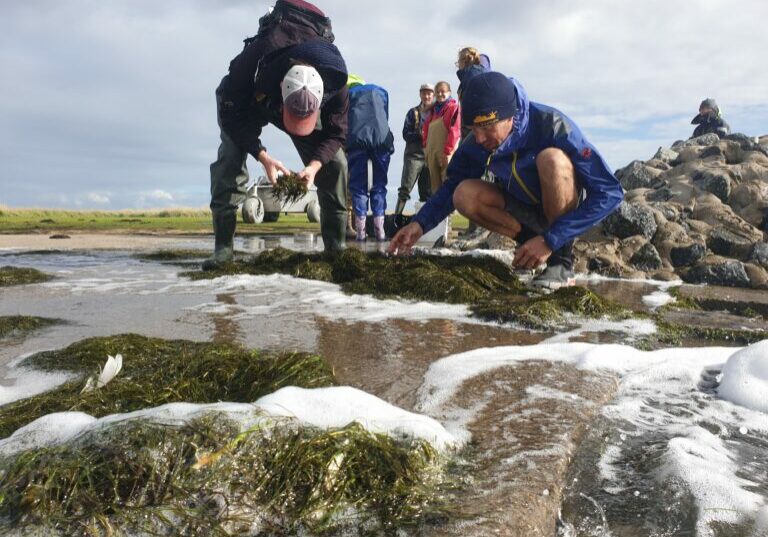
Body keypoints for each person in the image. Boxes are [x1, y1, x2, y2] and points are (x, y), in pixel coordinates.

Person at [389, 72, 624, 290]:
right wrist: (419, 225)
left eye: (486, 127)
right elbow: (450, 188)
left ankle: (561, 263)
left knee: (552, 159)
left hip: (561, 212)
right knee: (463, 193)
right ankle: (528, 248)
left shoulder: (552, 125)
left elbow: (610, 192)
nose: (479, 138)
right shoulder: (478, 142)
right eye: (472, 129)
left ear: (509, 116)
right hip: (522, 210)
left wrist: (551, 240)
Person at [203, 0, 349, 270]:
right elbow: (230, 118)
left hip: (286, 97)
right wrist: (262, 156)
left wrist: (314, 166)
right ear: (282, 87)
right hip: (251, 103)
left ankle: (336, 249)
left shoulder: (336, 83)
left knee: (337, 164)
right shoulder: (251, 66)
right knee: (230, 160)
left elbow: (337, 134)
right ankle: (223, 249)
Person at [345, 75, 395, 241]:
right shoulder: (379, 92)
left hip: (357, 142)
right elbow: (385, 117)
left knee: (358, 186)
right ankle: (380, 231)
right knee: (379, 185)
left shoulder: (348, 95)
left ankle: (361, 232)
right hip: (381, 141)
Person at [394, 84, 434, 220]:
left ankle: (425, 222)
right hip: (413, 156)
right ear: (420, 95)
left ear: (433, 95)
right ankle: (396, 218)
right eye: (424, 93)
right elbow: (405, 134)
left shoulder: (438, 112)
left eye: (429, 93)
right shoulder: (412, 113)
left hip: (430, 156)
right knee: (405, 189)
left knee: (427, 193)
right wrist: (419, 135)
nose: (427, 96)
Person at [422, 81, 461, 196]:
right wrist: (425, 148)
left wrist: (448, 151)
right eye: (437, 92)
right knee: (435, 184)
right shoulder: (433, 111)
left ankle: (450, 209)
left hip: (446, 151)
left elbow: (455, 130)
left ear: (449, 92)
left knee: (447, 179)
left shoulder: (453, 108)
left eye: (443, 91)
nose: (440, 94)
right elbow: (425, 130)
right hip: (432, 152)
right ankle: (437, 210)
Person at [455, 47, 491, 139]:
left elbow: (470, 105)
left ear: (464, 61)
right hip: (485, 124)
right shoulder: (481, 73)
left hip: (474, 128)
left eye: (458, 62)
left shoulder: (470, 77)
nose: (458, 65)